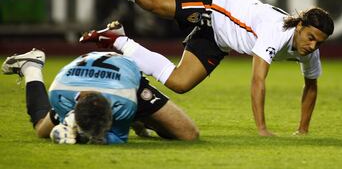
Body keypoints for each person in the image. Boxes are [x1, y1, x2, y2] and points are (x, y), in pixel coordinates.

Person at [54, 0, 334, 137]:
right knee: (149, 1)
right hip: (216, 7)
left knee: (179, 83)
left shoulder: (309, 48)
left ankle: (117, 40)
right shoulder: (278, 31)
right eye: (310, 37)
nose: (312, 45)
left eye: (319, 42)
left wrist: (303, 130)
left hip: (220, 39)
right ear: (299, 26)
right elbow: (258, 80)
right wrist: (262, 129)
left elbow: (311, 86)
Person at [1, 48, 199, 144]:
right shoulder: (59, 94)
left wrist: (77, 137)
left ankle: (140, 121)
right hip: (73, 80)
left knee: (187, 134)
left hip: (124, 80)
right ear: (74, 106)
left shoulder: (126, 102)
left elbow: (117, 139)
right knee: (41, 130)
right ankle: (31, 67)